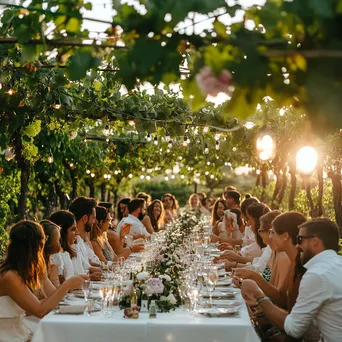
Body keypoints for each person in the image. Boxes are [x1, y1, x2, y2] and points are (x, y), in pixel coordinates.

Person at [242, 218, 342, 342]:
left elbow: (294, 329)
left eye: (300, 239)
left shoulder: (317, 274)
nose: (297, 245)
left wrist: (259, 295)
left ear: (315, 241)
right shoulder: (336, 264)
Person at [0, 221, 85, 341]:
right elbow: (40, 310)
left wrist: (44, 277)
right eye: (41, 246)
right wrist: (67, 285)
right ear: (34, 247)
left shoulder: (20, 270)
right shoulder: (9, 276)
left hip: (20, 334)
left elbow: (51, 299)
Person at [233, 210, 290, 290]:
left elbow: (279, 297)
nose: (270, 236)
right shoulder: (275, 252)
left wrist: (252, 276)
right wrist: (242, 283)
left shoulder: (283, 258)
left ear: (285, 235)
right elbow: (270, 287)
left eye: (272, 233)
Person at [49, 210, 102, 281]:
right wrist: (89, 278)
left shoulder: (73, 249)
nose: (77, 232)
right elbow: (65, 284)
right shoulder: (56, 256)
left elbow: (86, 268)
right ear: (62, 233)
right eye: (73, 229)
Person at [69, 196, 101, 265]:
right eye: (93, 218)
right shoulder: (73, 242)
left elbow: (93, 263)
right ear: (85, 218)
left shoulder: (82, 240)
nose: (95, 222)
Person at [40, 220, 62, 288]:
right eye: (58, 240)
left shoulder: (52, 258)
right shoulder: (37, 263)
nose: (60, 242)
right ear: (48, 243)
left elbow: (55, 284)